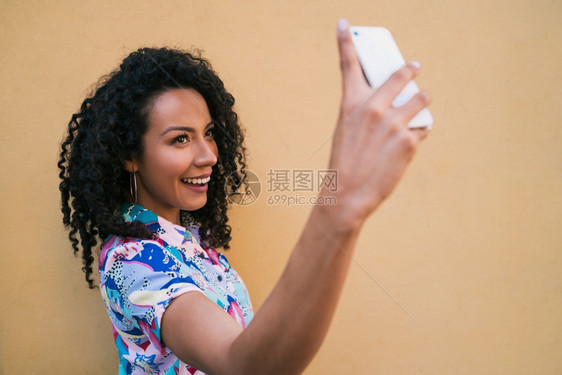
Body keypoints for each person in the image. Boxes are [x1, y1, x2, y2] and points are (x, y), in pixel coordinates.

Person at [58, 19, 431, 375]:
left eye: (208, 133)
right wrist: (343, 207)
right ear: (130, 157)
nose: (208, 156)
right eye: (180, 139)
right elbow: (244, 366)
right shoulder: (134, 261)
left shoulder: (189, 243)